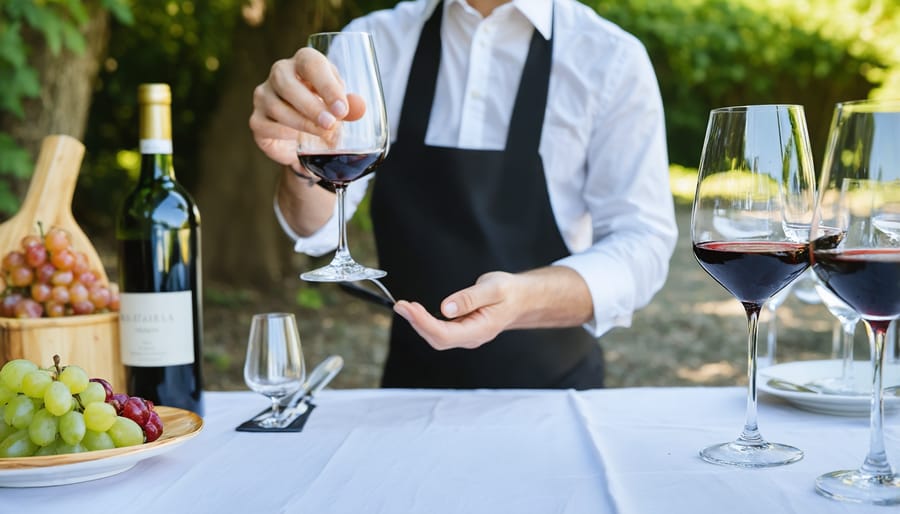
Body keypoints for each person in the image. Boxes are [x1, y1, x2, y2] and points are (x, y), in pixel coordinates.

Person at [249, 0, 678, 389]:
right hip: (408, 392)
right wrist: (300, 162)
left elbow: (642, 242)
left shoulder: (611, 58)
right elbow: (316, 229)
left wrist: (523, 300)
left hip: (557, 395)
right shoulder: (375, 40)